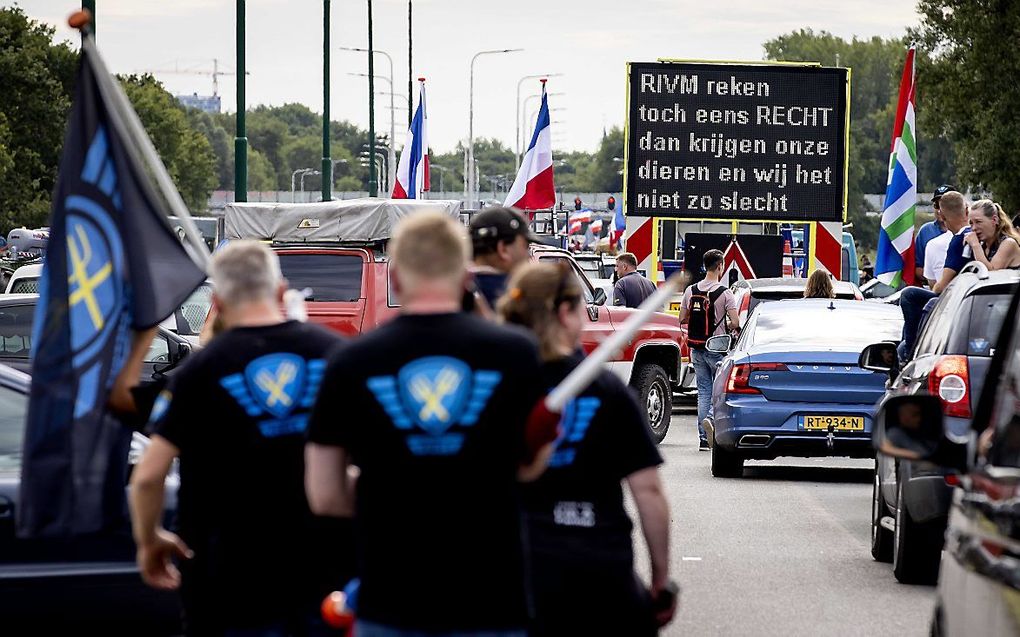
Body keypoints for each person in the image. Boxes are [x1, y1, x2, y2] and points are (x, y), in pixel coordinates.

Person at [305, 212, 559, 637]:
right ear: (465, 277)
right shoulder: (516, 354)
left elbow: (325, 494)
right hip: (492, 596)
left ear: (396, 277)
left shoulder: (351, 361)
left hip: (389, 598)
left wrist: (391, 493)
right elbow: (535, 468)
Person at [129, 241, 351, 636]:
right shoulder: (335, 355)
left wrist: (150, 540)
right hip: (322, 567)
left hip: (224, 575)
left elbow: (148, 476)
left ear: (218, 301)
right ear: (281, 290)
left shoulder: (198, 371)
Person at [498, 262, 676, 636]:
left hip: (515, 569)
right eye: (580, 305)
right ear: (564, 313)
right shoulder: (608, 393)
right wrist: (659, 578)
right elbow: (649, 491)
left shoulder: (496, 387)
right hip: (599, 566)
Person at [678, 249, 739, 450]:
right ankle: (712, 420)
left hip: (696, 347)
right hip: (717, 347)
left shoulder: (691, 290)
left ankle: (703, 439)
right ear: (720, 266)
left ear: (705, 266)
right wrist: (725, 325)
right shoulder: (725, 293)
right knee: (719, 390)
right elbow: (736, 322)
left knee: (703, 391)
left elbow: (682, 319)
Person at [899, 191, 969, 361]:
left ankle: (911, 354)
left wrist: (938, 286)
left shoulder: (957, 240)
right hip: (969, 296)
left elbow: (939, 286)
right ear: (966, 211)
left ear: (942, 216)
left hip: (957, 300)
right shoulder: (973, 236)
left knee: (909, 295)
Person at [468, 206, 539, 309]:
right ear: (503, 249)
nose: (529, 255)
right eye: (525, 246)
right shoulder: (523, 302)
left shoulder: (451, 293)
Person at [914, 184, 955, 282]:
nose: (940, 210)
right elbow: (917, 268)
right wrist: (936, 276)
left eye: (945, 205)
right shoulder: (925, 231)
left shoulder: (967, 229)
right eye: (937, 205)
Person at [965, 199, 1020, 270]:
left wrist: (975, 245)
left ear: (994, 220)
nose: (974, 228)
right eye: (971, 223)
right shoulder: (983, 246)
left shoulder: (1008, 243)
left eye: (978, 222)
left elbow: (992, 275)